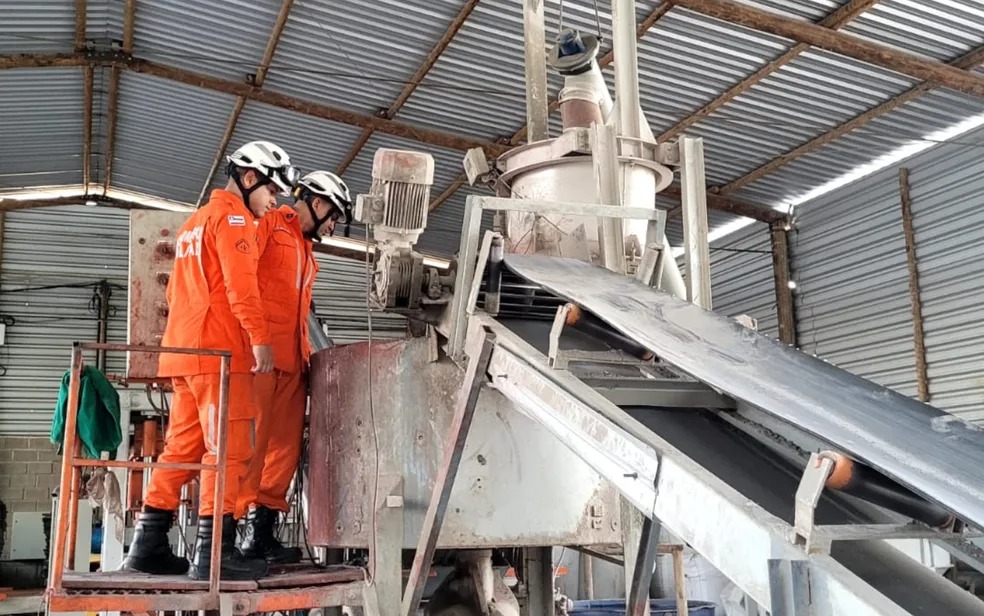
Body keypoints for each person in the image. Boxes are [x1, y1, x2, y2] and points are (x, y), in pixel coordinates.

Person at [122, 140, 299, 581]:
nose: (274, 202)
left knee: (183, 449)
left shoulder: (193, 224)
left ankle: (147, 544)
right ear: (249, 178)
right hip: (220, 356)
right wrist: (260, 339)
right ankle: (213, 554)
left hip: (184, 354)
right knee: (230, 451)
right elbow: (242, 287)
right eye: (271, 191)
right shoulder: (234, 219)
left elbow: (174, 292)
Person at [236, 171, 352, 564]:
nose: (333, 226)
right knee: (250, 449)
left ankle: (260, 535)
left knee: (283, 452)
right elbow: (240, 279)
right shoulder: (268, 224)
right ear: (318, 204)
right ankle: (227, 534)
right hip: (261, 362)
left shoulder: (306, 250)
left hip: (293, 364)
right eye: (333, 216)